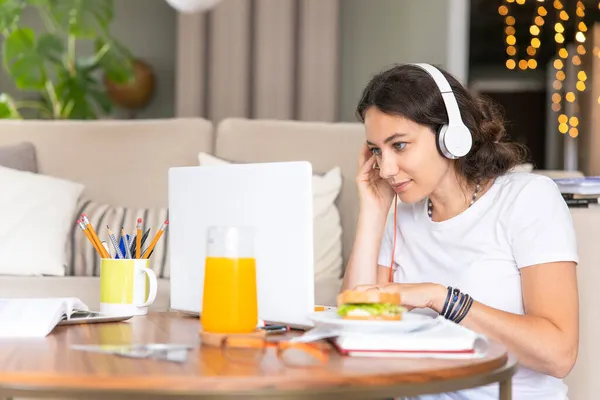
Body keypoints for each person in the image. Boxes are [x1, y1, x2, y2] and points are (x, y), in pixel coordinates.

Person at [341, 63, 579, 400]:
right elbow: (356, 326)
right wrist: (373, 210)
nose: (387, 168)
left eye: (400, 146)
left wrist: (441, 297)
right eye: (377, 151)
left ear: (451, 137)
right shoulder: (399, 212)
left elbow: (558, 355)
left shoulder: (528, 199)